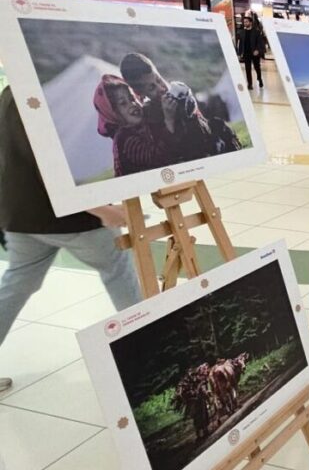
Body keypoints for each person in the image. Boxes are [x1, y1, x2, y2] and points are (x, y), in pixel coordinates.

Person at [0, 87, 143, 392]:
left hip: (21, 215)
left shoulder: (11, 92)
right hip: (70, 218)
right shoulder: (37, 96)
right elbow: (49, 167)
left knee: (16, 284)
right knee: (118, 270)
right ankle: (150, 348)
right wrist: (102, 210)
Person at [93, 74, 178, 176]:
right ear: (113, 113)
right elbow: (158, 158)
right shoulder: (125, 139)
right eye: (123, 103)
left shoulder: (141, 126)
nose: (132, 104)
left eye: (132, 98)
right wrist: (169, 120)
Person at [236, 15, 264, 91]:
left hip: (255, 53)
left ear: (250, 22)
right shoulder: (242, 32)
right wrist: (239, 53)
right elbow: (240, 43)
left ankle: (259, 78)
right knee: (247, 69)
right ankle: (250, 84)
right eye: (244, 22)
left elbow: (260, 42)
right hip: (246, 53)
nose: (245, 23)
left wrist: (257, 50)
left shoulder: (256, 32)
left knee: (257, 68)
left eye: (246, 22)